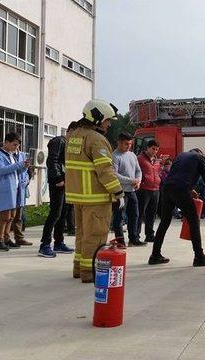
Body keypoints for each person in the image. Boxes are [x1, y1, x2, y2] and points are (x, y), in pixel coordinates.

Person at [65, 99, 125, 283]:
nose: (109, 124)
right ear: (98, 118)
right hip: (96, 197)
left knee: (82, 236)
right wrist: (118, 192)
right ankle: (89, 273)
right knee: (96, 237)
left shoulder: (74, 135)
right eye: (108, 120)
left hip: (79, 196)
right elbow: (105, 171)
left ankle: (79, 268)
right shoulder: (96, 139)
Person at [149, 148, 205, 267]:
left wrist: (191, 190)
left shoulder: (180, 156)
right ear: (201, 154)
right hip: (181, 190)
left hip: (167, 189)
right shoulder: (200, 158)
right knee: (194, 221)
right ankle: (199, 257)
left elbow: (178, 176)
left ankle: (155, 255)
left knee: (164, 222)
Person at [38, 121, 78, 258]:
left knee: (63, 213)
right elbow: (52, 161)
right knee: (55, 213)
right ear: (70, 130)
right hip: (58, 182)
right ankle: (44, 244)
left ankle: (59, 242)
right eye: (76, 133)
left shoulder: (70, 145)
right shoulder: (59, 141)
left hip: (66, 182)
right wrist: (58, 178)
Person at [0, 133, 31, 251]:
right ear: (6, 142)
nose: (16, 148)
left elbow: (15, 172)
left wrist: (24, 167)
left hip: (13, 189)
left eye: (17, 146)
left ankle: (7, 238)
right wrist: (18, 164)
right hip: (4, 190)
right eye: (14, 145)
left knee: (11, 217)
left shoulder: (11, 155)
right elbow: (2, 170)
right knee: (4, 216)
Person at [111, 132, 144, 247]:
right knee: (119, 217)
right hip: (120, 192)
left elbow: (138, 171)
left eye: (130, 144)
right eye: (126, 144)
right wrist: (131, 181)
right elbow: (114, 174)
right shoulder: (115, 156)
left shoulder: (132, 155)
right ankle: (120, 241)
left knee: (134, 215)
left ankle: (133, 238)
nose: (128, 146)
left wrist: (138, 181)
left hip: (132, 191)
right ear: (119, 142)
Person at [137, 140, 161, 243]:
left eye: (156, 149)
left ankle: (150, 235)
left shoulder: (157, 161)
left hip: (155, 189)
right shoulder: (139, 159)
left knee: (152, 213)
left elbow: (158, 173)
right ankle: (135, 235)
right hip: (143, 189)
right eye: (153, 149)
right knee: (140, 213)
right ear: (147, 148)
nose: (155, 151)